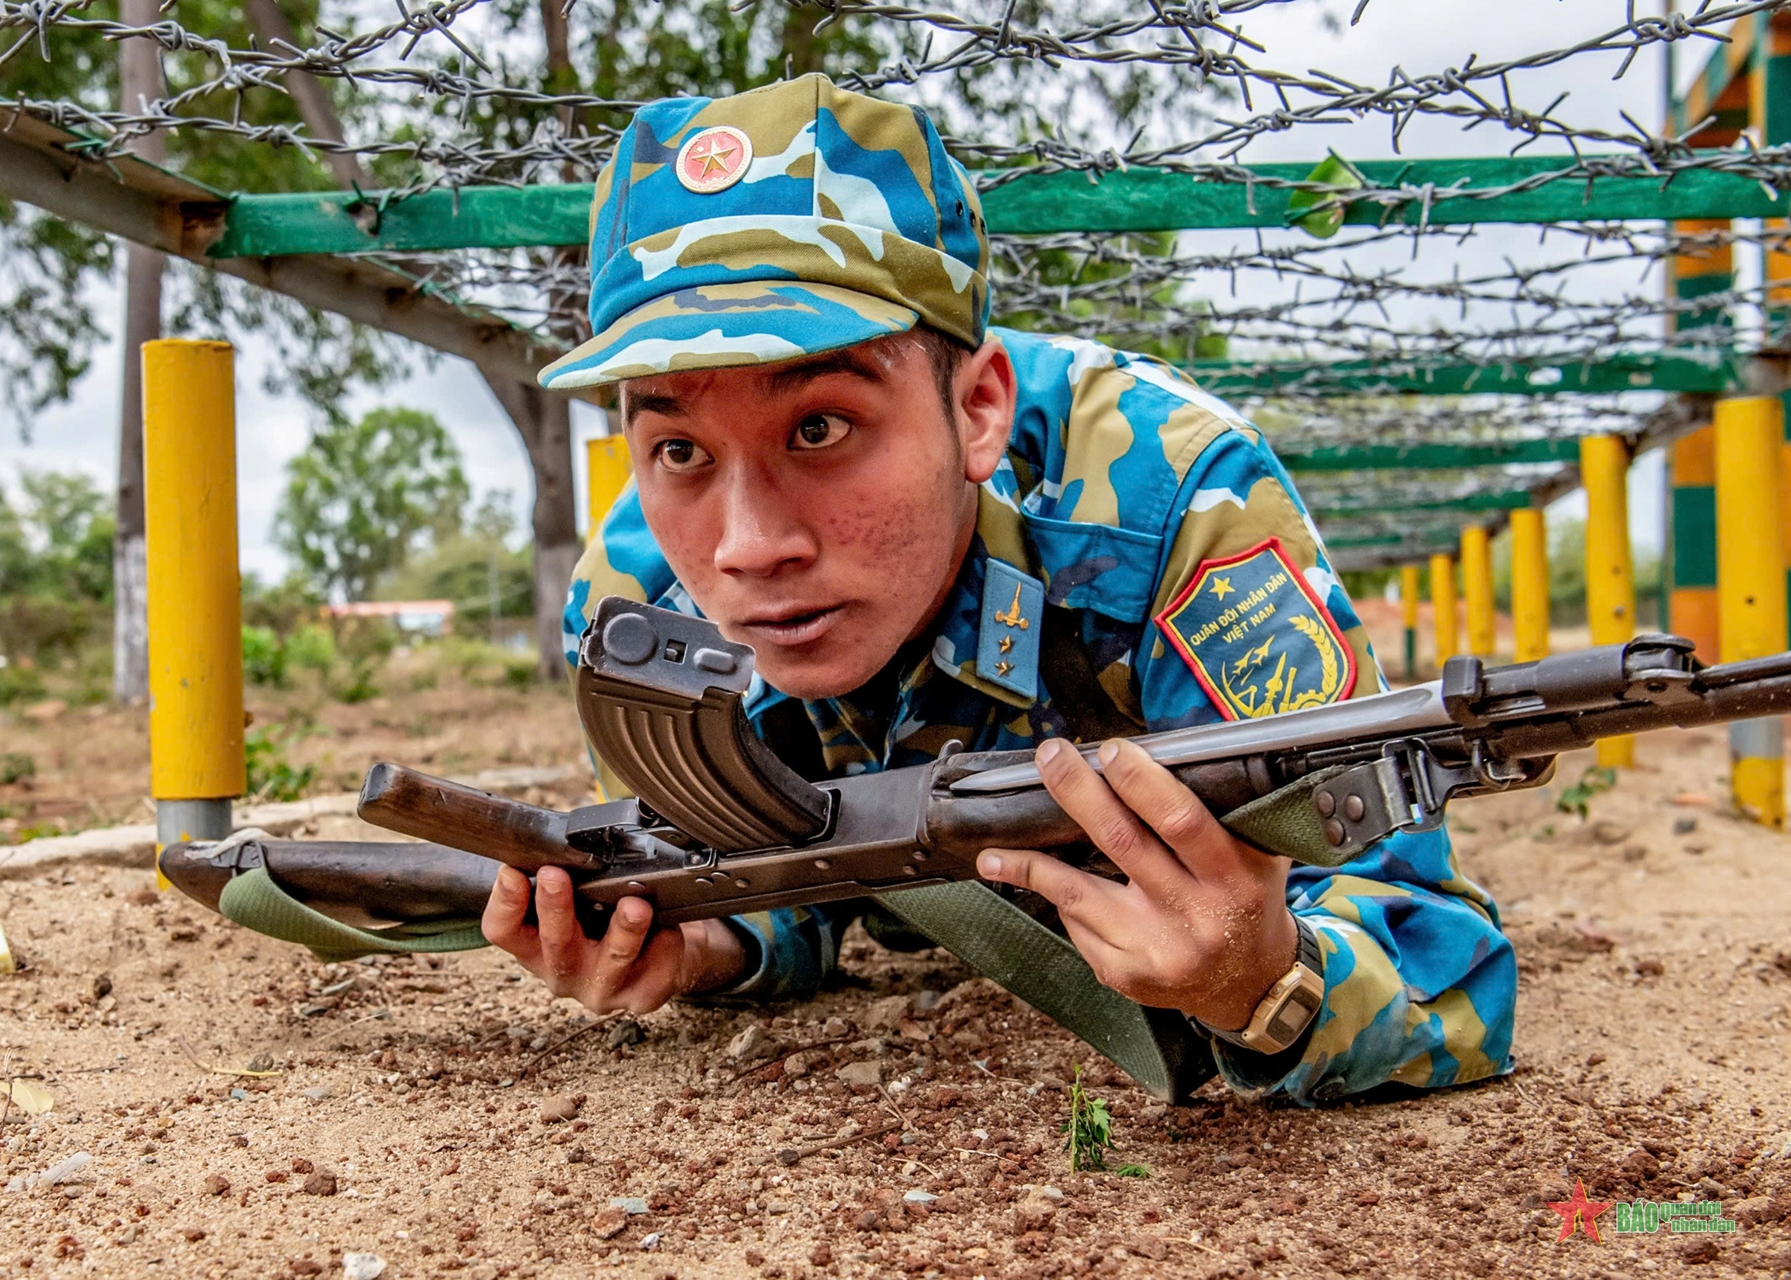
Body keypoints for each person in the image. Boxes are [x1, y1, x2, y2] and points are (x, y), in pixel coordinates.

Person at [479, 74, 1515, 1103]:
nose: (748, 547)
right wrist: (716, 936)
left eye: (819, 428)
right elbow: (799, 875)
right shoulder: (638, 604)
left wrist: (1269, 985)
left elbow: (1442, 952)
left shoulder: (1172, 504)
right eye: (677, 449)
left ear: (977, 408)